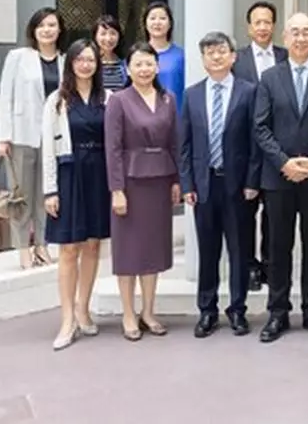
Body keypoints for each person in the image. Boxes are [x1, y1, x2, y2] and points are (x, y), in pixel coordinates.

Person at [253, 13, 308, 343]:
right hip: (279, 179)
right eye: (295, 32)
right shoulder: (269, 77)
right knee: (278, 247)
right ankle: (277, 312)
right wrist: (285, 163)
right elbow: (260, 127)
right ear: (285, 37)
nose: (301, 38)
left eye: (307, 32)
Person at [179, 32, 261, 339]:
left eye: (221, 51)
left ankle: (238, 310)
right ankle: (207, 310)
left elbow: (256, 142)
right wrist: (187, 182)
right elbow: (184, 145)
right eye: (209, 52)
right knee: (208, 251)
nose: (216, 57)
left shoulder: (248, 92)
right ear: (203, 59)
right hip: (203, 185)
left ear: (233, 56)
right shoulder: (192, 94)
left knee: (240, 251)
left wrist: (253, 181)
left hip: (239, 186)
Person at [105, 42, 181, 341]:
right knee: (128, 251)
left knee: (153, 249)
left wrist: (176, 180)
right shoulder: (118, 101)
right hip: (130, 182)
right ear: (128, 68)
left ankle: (148, 311)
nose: (144, 69)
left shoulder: (168, 98)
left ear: (157, 66)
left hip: (160, 181)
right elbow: (112, 149)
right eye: (138, 64)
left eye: (149, 63)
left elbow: (175, 142)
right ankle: (128, 313)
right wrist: (116, 189)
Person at [41, 38, 111, 351]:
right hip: (69, 175)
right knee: (69, 249)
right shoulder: (57, 100)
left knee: (93, 245)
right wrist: (50, 189)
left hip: (99, 175)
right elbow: (48, 149)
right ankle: (67, 318)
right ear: (70, 63)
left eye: (91, 59)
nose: (85, 64)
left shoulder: (107, 97)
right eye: (79, 59)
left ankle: (84, 309)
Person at [0, 6, 64, 270]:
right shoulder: (18, 57)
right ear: (33, 31)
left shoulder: (65, 60)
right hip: (21, 136)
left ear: (60, 29)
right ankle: (23, 248)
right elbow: (6, 97)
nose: (47, 30)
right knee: (21, 195)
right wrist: (4, 137)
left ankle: (43, 245)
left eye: (52, 25)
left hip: (53, 137)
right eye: (42, 26)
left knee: (46, 194)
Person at [231, 0, 287, 292]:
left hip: (278, 148)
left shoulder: (286, 56)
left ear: (274, 26)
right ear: (249, 27)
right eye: (258, 22)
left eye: (268, 22)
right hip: (245, 148)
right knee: (245, 212)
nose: (263, 27)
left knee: (274, 214)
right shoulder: (236, 60)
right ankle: (249, 265)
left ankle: (269, 263)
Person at [142, 1, 185, 109]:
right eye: (152, 18)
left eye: (162, 18)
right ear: (145, 24)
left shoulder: (181, 56)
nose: (157, 22)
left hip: (175, 117)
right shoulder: (137, 56)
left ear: (170, 23)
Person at [94, 15, 129, 90]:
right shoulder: (91, 63)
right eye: (103, 33)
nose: (108, 38)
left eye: (113, 33)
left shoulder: (125, 64)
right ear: (95, 36)